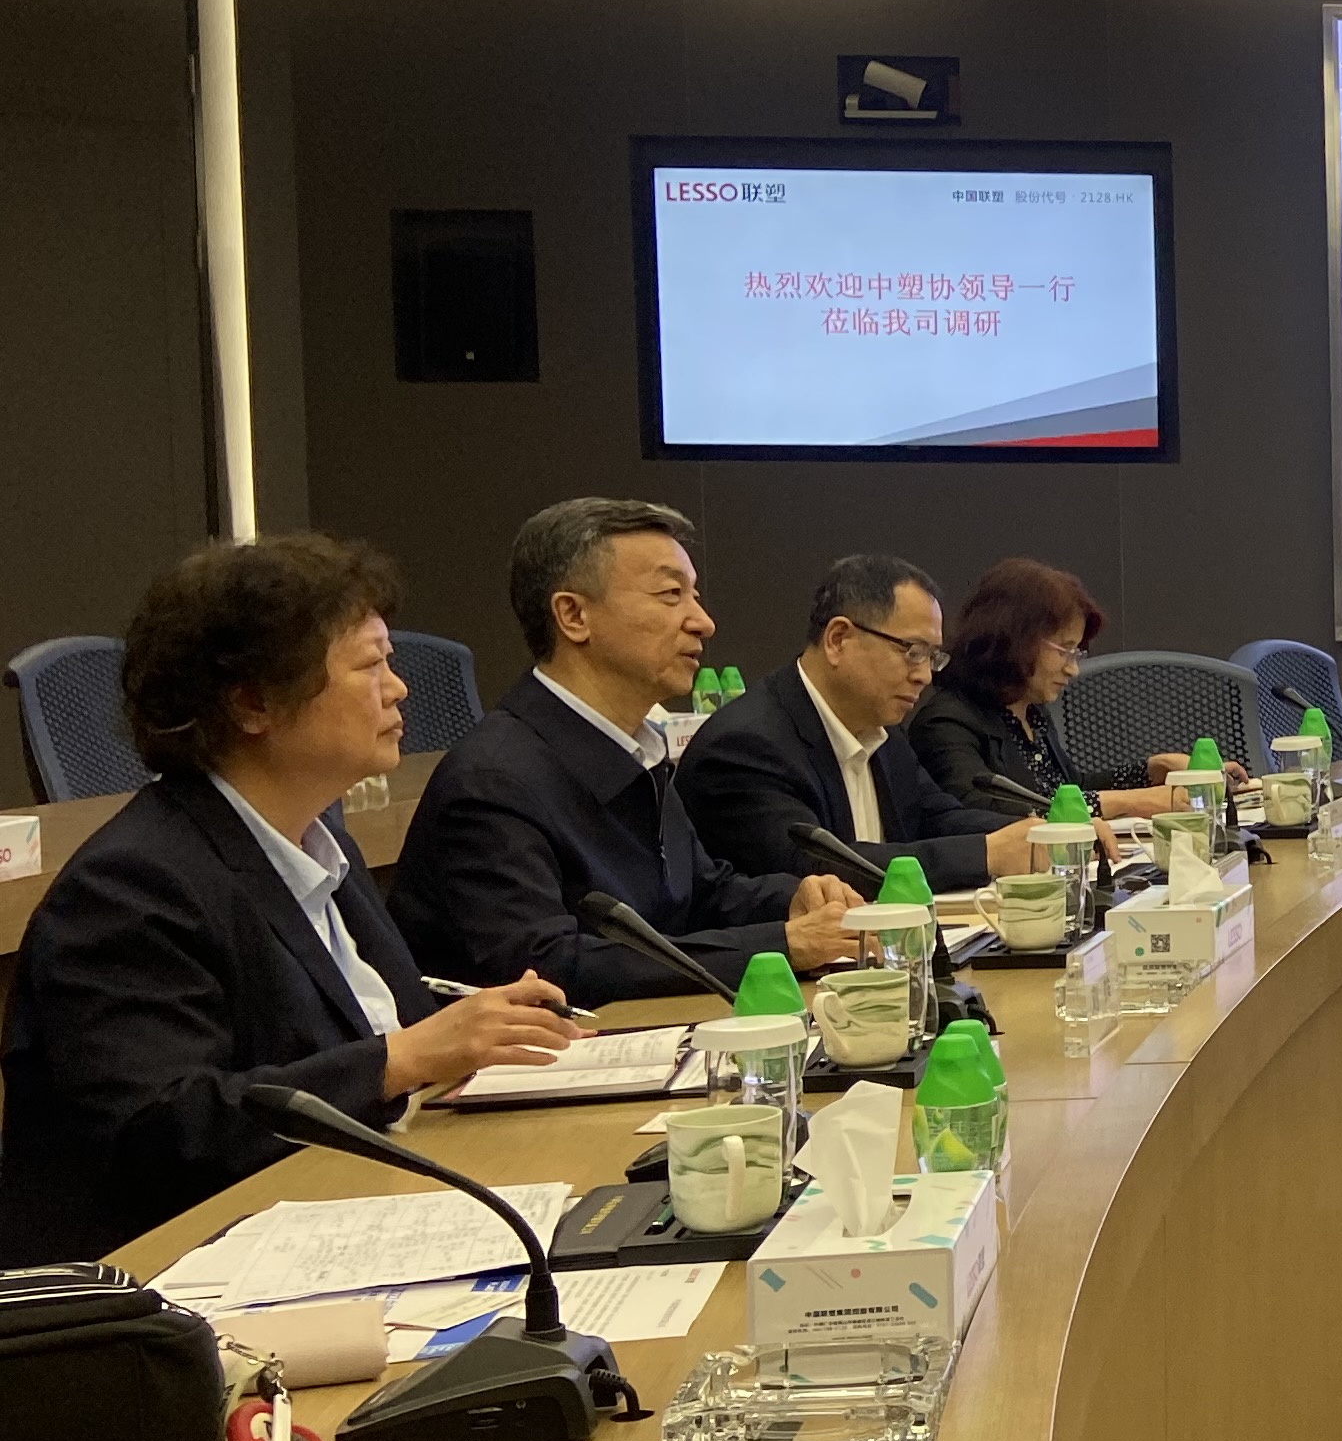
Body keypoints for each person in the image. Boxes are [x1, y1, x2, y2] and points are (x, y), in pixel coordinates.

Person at [0, 537, 580, 1263]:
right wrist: (402, 1058)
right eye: (370, 665)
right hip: (184, 1273)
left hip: (340, 1213)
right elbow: (162, 1133)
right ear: (253, 702)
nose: (398, 689)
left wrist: (486, 1026)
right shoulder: (132, 885)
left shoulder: (316, 842)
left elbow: (365, 1023)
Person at [393, 498, 860, 1005]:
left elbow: (698, 894)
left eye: (694, 596)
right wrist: (780, 945)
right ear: (573, 615)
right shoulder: (492, 781)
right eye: (670, 595)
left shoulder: (636, 748)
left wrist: (792, 900)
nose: (703, 622)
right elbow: (546, 968)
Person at [678, 553, 1045, 891]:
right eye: (913, 652)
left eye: (932, 657)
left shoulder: (883, 731)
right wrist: (986, 854)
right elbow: (816, 869)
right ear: (838, 640)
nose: (924, 676)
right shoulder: (745, 746)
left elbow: (936, 816)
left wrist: (1040, 835)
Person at [907, 557, 1183, 820]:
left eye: (1076, 653)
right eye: (1064, 650)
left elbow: (1070, 789)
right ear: (1015, 640)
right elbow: (981, 808)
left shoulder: (1029, 712)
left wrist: (1148, 771)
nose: (1073, 669)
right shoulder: (946, 723)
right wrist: (1130, 802)